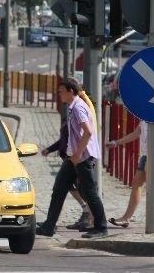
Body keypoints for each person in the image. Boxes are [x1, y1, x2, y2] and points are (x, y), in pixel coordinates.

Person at [36, 78, 108, 238]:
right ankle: (49, 226)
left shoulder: (78, 108)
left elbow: (88, 132)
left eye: (61, 91)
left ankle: (101, 227)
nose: (59, 94)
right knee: (59, 189)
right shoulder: (73, 106)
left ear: (70, 91)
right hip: (73, 157)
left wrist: (77, 155)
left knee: (89, 192)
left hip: (81, 157)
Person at [41, 120, 92, 230]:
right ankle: (51, 222)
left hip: (75, 159)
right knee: (66, 187)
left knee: (82, 189)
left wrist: (77, 155)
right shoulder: (71, 115)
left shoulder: (78, 114)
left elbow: (82, 137)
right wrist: (49, 149)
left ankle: (90, 217)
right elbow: (63, 141)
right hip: (69, 159)